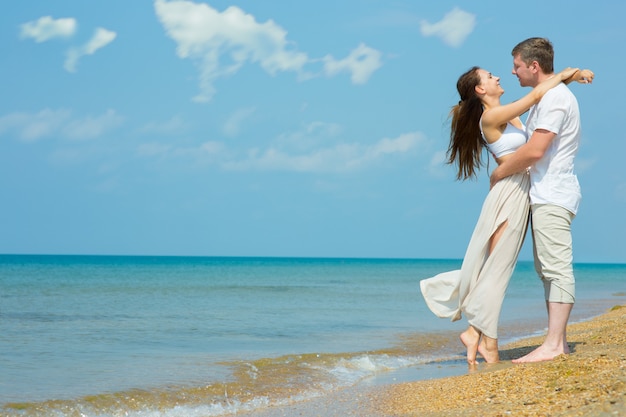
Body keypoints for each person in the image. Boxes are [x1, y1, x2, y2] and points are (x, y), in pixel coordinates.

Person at [420, 61, 593, 365]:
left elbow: (542, 100)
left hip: (519, 191)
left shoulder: (510, 117)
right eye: (490, 76)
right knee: (498, 266)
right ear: (480, 89)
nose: (498, 76)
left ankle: (480, 336)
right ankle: (481, 337)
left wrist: (571, 78)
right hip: (509, 193)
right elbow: (536, 96)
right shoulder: (492, 116)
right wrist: (568, 74)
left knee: (497, 266)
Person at [490, 38, 591, 363]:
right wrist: (574, 73)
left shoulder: (555, 100)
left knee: (555, 268)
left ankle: (552, 345)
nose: (512, 71)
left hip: (553, 192)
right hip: (546, 192)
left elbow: (535, 150)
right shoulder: (548, 96)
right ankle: (556, 342)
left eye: (517, 65)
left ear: (534, 66)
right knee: (546, 268)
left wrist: (500, 173)